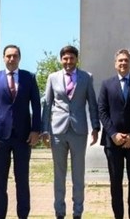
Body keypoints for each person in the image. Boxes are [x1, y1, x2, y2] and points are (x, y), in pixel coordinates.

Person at [0, 44, 42, 219]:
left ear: (19, 58)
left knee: (22, 179)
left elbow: (36, 105)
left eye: (15, 56)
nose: (11, 59)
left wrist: (36, 130)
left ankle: (23, 215)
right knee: (0, 180)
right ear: (3, 58)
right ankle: (0, 215)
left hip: (23, 137)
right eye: (8, 56)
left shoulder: (29, 77)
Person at [41, 45, 101, 219]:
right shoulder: (53, 78)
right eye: (65, 58)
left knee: (78, 174)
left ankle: (77, 212)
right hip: (58, 131)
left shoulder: (86, 77)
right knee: (59, 174)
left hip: (79, 130)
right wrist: (44, 130)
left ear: (76, 59)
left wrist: (95, 127)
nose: (68, 62)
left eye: (71, 58)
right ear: (61, 60)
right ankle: (59, 211)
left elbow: (92, 104)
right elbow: (47, 105)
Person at [98, 48, 130, 219]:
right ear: (115, 64)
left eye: (126, 60)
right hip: (113, 142)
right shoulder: (106, 85)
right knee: (115, 182)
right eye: (120, 60)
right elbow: (102, 111)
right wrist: (113, 134)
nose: (123, 63)